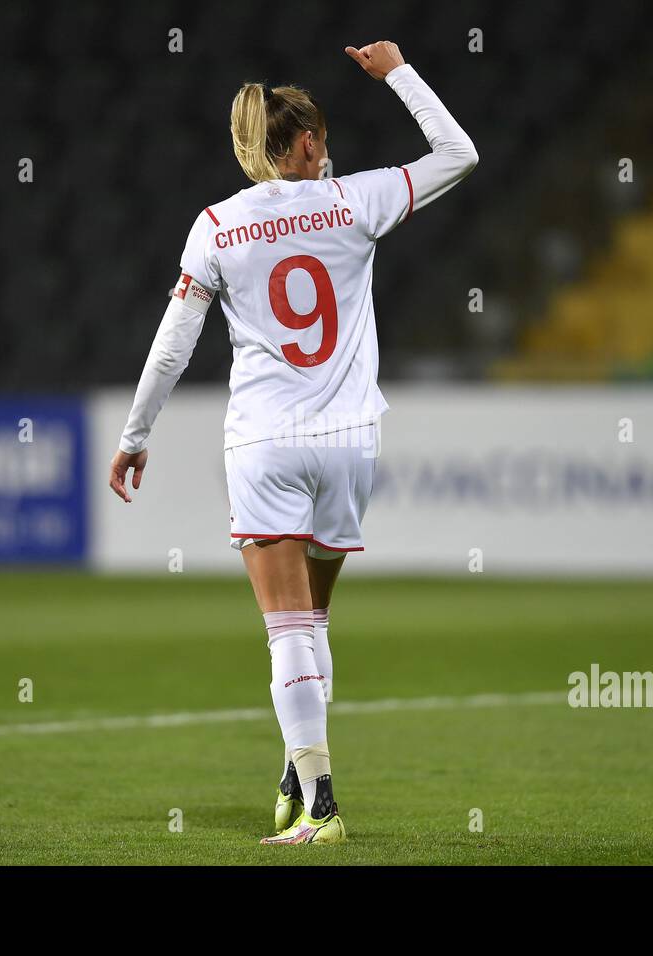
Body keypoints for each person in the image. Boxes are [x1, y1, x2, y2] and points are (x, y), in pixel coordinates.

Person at [108, 41, 477, 845]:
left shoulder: (217, 226)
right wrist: (400, 73)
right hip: (351, 441)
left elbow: (173, 344)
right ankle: (296, 768)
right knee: (312, 619)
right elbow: (460, 152)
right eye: (324, 136)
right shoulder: (357, 201)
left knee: (288, 630)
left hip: (267, 441)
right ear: (306, 144)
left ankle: (322, 806)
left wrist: (137, 435)